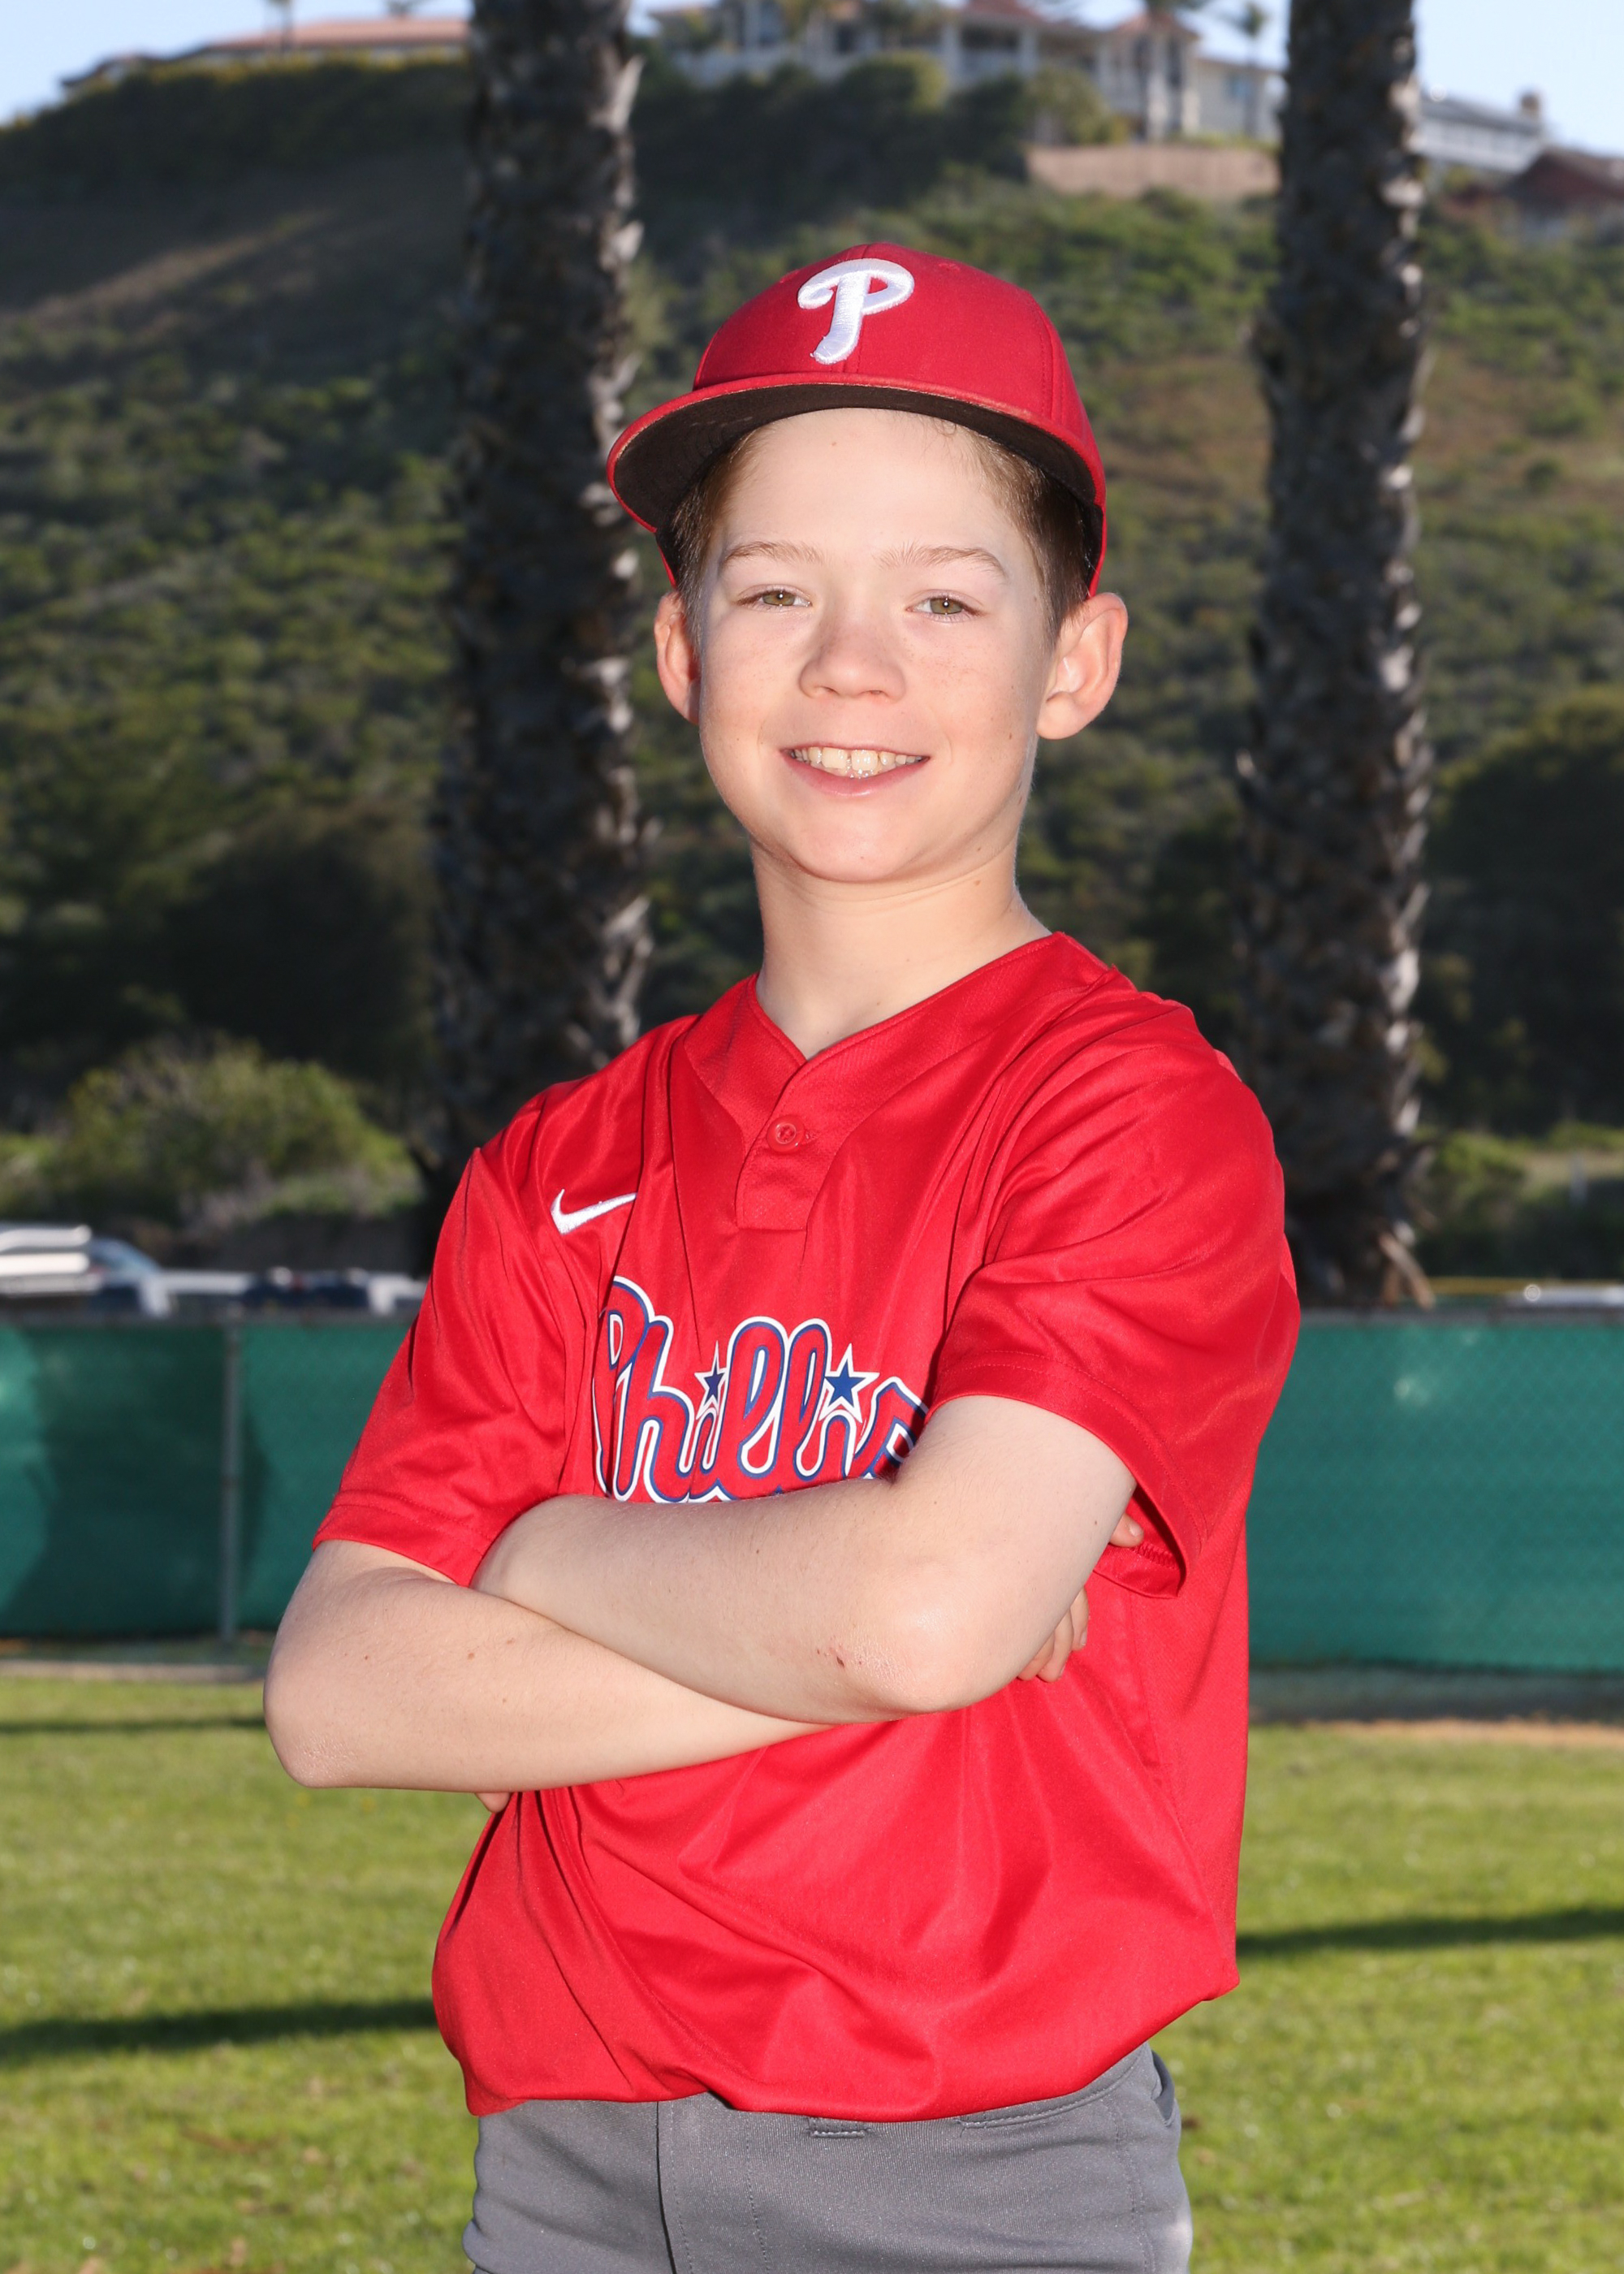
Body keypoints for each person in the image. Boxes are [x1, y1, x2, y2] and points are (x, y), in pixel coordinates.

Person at [265, 243, 1298, 2274]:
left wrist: (542, 1549)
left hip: (969, 2172)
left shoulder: (1128, 1109)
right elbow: (338, 1692)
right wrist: (870, 1616)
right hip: (561, 2155)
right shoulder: (561, 1160)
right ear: (680, 650)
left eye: (943, 597)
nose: (849, 664)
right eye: (773, 592)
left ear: (1076, 661)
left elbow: (917, 1609)